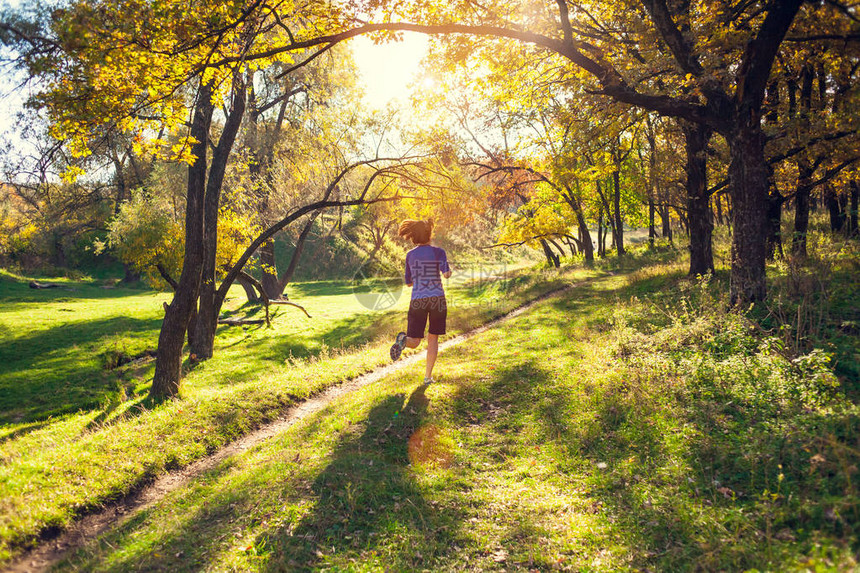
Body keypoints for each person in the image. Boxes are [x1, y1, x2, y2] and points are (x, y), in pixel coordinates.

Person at [389, 219, 452, 385]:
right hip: (437, 299)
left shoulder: (410, 255)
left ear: (413, 237)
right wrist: (448, 270)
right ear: (429, 234)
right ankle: (427, 377)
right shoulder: (439, 252)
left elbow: (409, 283)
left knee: (415, 341)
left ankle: (403, 341)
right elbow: (446, 274)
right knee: (433, 338)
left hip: (418, 300)